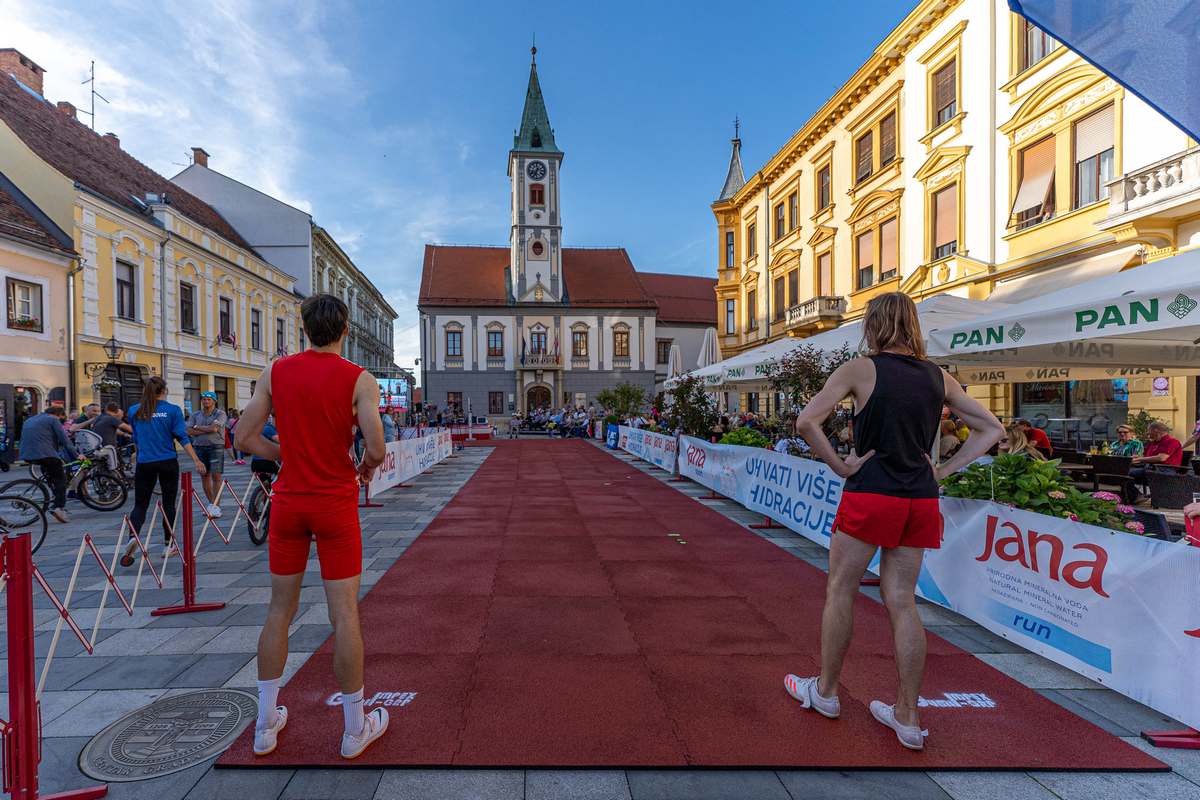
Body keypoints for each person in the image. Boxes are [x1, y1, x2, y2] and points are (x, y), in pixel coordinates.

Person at [787, 292, 1003, 751]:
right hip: (919, 498)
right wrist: (942, 470)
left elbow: (807, 422)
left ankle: (825, 692)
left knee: (841, 589)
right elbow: (993, 429)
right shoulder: (938, 376)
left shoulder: (861, 369)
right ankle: (907, 715)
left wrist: (840, 465)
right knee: (902, 601)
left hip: (871, 492)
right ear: (913, 325)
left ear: (873, 325)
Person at [235, 293, 389, 760]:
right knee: (344, 615)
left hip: (288, 504)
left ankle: (265, 724)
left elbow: (243, 437)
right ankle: (353, 729)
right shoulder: (358, 378)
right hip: (334, 505)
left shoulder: (275, 372)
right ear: (344, 331)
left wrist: (287, 454)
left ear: (304, 329)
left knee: (278, 611)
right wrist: (363, 468)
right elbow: (378, 447)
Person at [120, 377, 207, 566]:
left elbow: (136, 438)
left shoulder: (135, 410)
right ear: (164, 390)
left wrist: (138, 455)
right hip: (167, 462)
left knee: (140, 505)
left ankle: (132, 538)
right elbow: (182, 438)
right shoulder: (172, 410)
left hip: (145, 462)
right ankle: (168, 545)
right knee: (168, 503)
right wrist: (196, 460)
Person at [18, 406, 77, 523]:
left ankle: (55, 498)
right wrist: (77, 454)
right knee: (61, 479)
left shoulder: (30, 419)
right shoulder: (53, 420)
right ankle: (58, 507)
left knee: (52, 476)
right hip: (45, 454)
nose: (61, 420)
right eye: (61, 418)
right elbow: (64, 440)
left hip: (27, 454)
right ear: (58, 414)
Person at [187, 392, 227, 517]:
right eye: (204, 399)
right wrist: (205, 428)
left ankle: (217, 506)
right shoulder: (195, 414)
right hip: (199, 447)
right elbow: (188, 431)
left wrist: (197, 427)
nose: (205, 402)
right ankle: (211, 504)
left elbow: (214, 429)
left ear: (214, 401)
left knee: (216, 477)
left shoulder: (220, 414)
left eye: (208, 399)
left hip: (216, 447)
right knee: (204, 476)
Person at [1131, 421, 1183, 494]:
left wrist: (1140, 459)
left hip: (1165, 470)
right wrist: (1137, 457)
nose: (1147, 433)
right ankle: (1136, 496)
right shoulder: (1153, 443)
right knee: (1123, 473)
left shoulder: (1172, 441)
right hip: (1151, 468)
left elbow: (1161, 458)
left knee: (1127, 474)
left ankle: (1135, 496)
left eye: (1149, 431)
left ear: (1155, 430)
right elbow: (1146, 457)